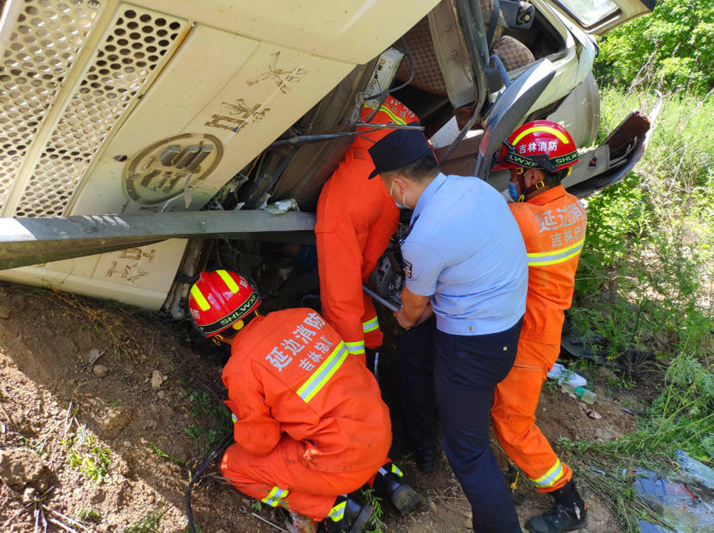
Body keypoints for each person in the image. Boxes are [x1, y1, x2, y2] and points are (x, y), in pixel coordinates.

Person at [369, 128, 529, 533]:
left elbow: (412, 308)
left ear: (399, 184)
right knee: (411, 359)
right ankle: (420, 444)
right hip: (502, 323)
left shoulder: (424, 238)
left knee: (468, 453)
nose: (391, 195)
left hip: (473, 345)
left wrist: (401, 320)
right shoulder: (472, 189)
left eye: (388, 188)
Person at [188, 270, 420, 533]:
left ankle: (336, 510)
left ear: (214, 335)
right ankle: (387, 477)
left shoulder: (241, 369)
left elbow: (261, 444)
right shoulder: (306, 318)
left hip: (343, 462)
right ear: (254, 301)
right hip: (379, 432)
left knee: (234, 466)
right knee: (333, 419)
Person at [490, 120, 588, 533]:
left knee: (512, 424)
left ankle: (568, 499)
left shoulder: (523, 218)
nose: (512, 180)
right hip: (545, 329)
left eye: (515, 173)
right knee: (505, 410)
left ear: (534, 173)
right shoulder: (573, 209)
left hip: (529, 338)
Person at [315, 95, 418, 364]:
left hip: (358, 189)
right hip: (393, 195)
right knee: (360, 283)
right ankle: (372, 348)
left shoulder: (347, 87)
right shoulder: (395, 103)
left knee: (341, 295)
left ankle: (354, 373)